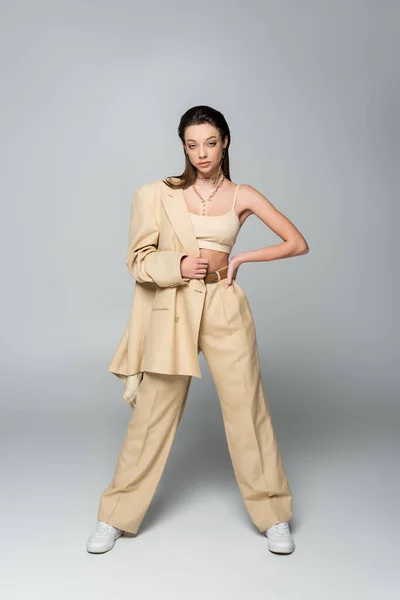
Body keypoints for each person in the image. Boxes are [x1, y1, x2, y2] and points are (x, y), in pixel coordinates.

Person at [86, 105, 309, 555]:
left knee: (247, 408)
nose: (202, 153)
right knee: (152, 413)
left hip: (224, 304)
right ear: (183, 147)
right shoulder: (156, 194)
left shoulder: (243, 195)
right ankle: (115, 516)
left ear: (225, 141)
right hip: (174, 307)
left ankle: (273, 514)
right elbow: (138, 259)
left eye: (210, 142)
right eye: (192, 144)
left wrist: (241, 258)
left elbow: (296, 242)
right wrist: (179, 264)